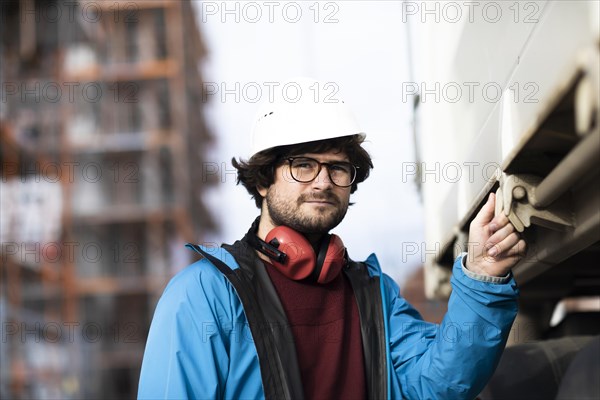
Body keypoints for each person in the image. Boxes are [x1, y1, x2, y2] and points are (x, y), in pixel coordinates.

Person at [138, 78, 526, 400]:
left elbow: (438, 384)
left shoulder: (374, 294)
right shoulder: (203, 296)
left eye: (338, 168)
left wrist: (481, 277)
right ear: (261, 181)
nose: (323, 182)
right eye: (303, 165)